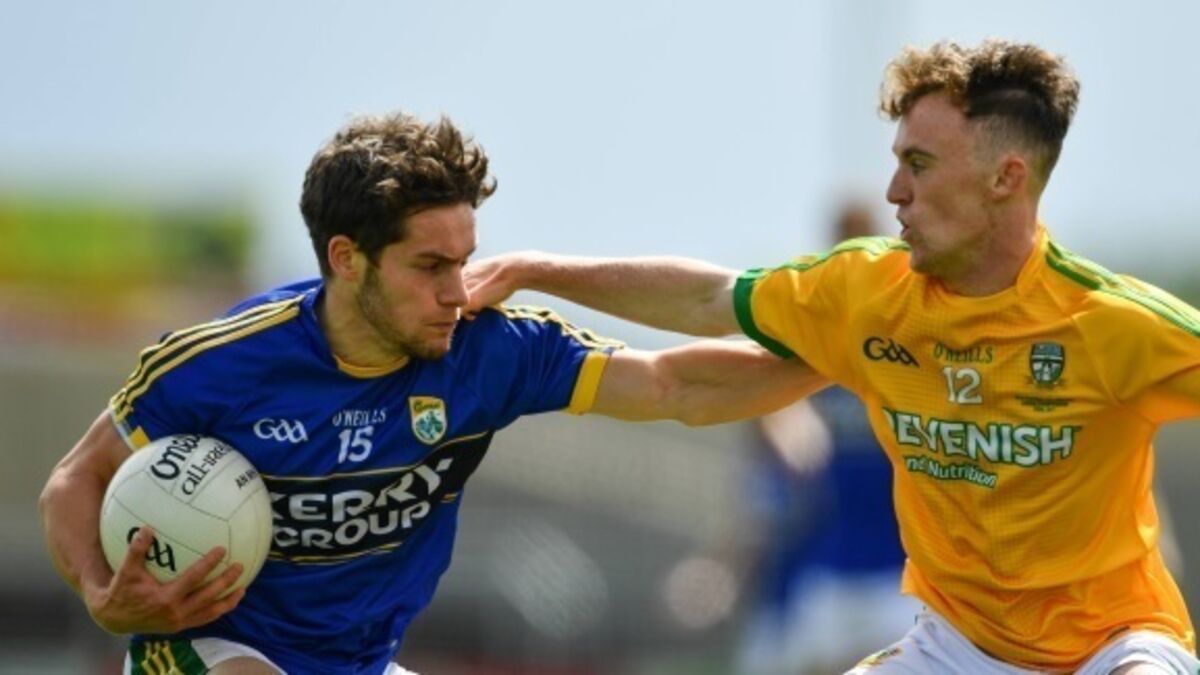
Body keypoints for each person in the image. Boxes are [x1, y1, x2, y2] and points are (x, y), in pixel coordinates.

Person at [464, 39, 1200, 674]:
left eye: (919, 163)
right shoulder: (867, 293)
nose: (896, 191)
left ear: (1005, 178)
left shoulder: (1114, 323)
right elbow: (707, 299)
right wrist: (536, 269)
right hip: (958, 645)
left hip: (1115, 643)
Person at [38, 113, 826, 675]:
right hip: (208, 649)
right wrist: (104, 596)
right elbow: (75, 479)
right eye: (429, 266)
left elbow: (676, 385)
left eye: (465, 260)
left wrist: (850, 357)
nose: (458, 289)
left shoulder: (492, 351)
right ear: (347, 258)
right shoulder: (221, 360)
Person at [736, 204, 918, 675]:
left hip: (902, 571)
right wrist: (787, 423)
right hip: (830, 565)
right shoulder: (817, 336)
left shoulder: (905, 333)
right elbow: (765, 399)